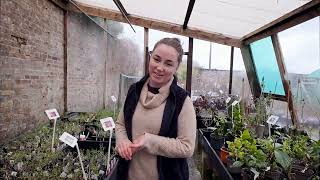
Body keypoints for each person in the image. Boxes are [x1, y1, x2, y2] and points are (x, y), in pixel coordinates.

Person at [115, 38, 196, 180]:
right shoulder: (134, 91)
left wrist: (148, 141)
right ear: (150, 57)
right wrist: (122, 141)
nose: (160, 67)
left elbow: (186, 147)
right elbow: (121, 124)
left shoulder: (182, 101)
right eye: (156, 59)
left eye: (168, 64)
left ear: (176, 68)